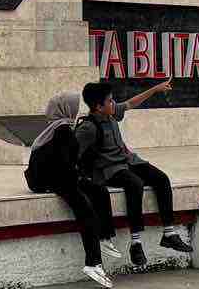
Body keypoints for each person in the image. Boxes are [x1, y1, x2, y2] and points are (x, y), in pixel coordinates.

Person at [75, 78, 181, 268]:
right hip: (110, 169)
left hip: (128, 160)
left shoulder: (111, 113)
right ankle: (136, 242)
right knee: (135, 184)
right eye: (109, 101)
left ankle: (169, 232)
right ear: (98, 107)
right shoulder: (88, 127)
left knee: (161, 179)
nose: (113, 103)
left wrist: (155, 89)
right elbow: (73, 152)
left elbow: (132, 103)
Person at [25, 92, 115, 289]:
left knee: (98, 191)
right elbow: (62, 165)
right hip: (53, 178)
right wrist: (76, 181)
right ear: (67, 109)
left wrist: (80, 178)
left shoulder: (58, 128)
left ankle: (106, 235)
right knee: (85, 210)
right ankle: (93, 263)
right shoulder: (62, 131)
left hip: (56, 175)